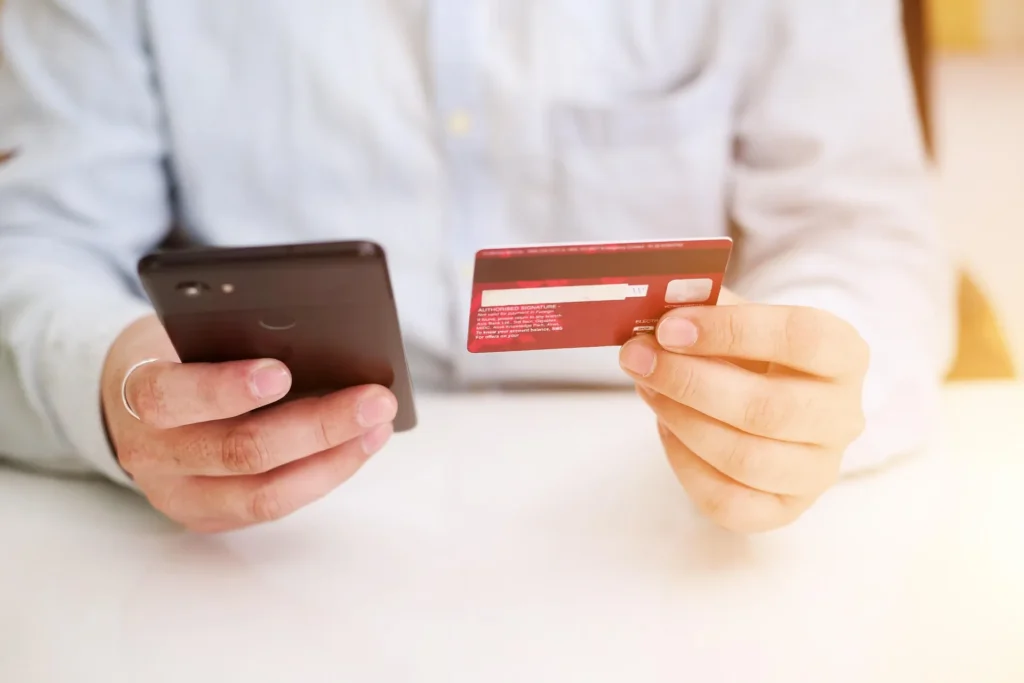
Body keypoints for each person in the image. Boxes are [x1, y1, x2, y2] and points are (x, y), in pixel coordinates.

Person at [0, 0, 954, 534]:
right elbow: (37, 246)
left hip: (655, 521)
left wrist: (799, 395)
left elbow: (862, 231)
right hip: (265, 547)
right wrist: (114, 390)